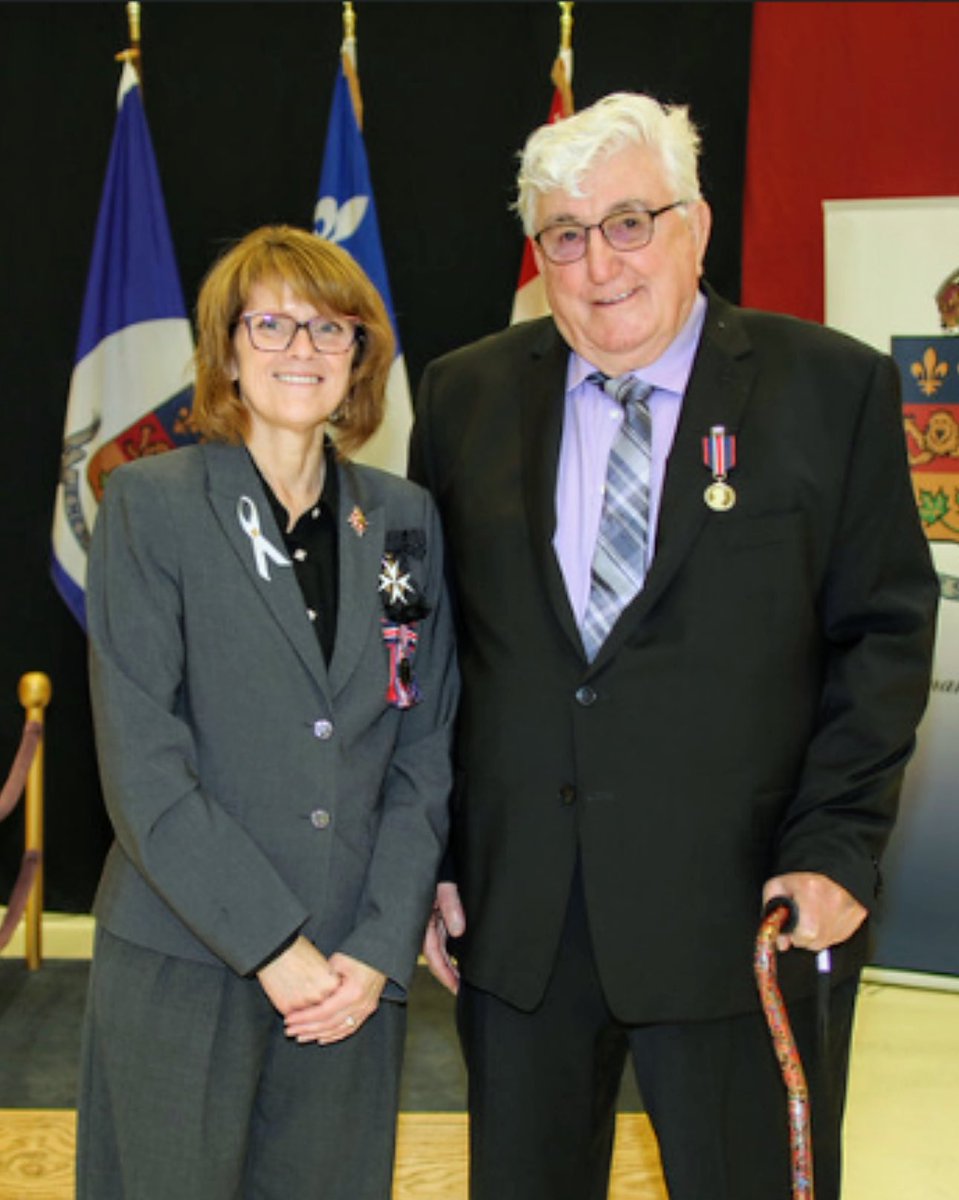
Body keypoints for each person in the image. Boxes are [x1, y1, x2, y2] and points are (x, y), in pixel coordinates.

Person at [410, 93, 937, 1200]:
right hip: (522, 921)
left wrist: (837, 845)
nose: (598, 263)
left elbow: (881, 639)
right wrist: (435, 856)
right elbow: (432, 650)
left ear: (694, 224)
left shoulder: (828, 389)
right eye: (563, 233)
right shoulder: (462, 395)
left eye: (628, 222)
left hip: (742, 916)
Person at [76, 225, 458, 1200]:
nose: (301, 350)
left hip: (348, 976)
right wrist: (271, 949)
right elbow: (144, 768)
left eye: (330, 330)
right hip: (186, 952)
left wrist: (377, 947)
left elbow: (418, 743)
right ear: (228, 351)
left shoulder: (403, 524)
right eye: (272, 324)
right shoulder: (151, 506)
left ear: (360, 358)